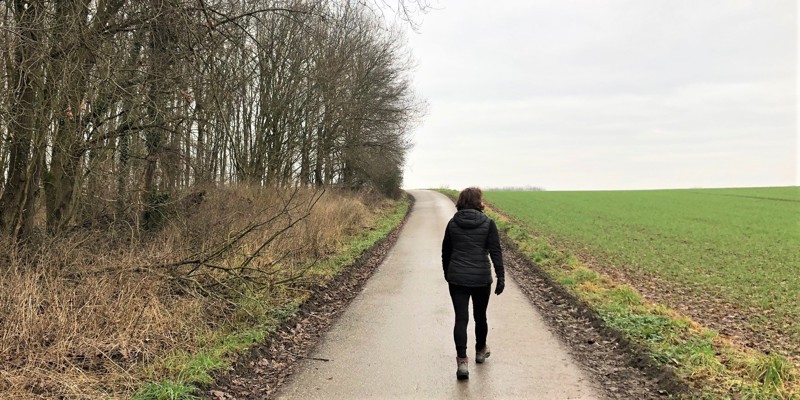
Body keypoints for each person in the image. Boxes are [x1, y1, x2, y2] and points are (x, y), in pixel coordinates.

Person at [441, 187, 505, 380]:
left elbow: (446, 253)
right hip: (481, 279)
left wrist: (448, 273)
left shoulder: (453, 224)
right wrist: (501, 276)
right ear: (478, 202)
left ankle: (462, 362)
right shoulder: (488, 223)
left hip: (457, 279)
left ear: (461, 201)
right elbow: (496, 252)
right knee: (480, 317)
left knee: (461, 319)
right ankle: (480, 351)